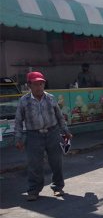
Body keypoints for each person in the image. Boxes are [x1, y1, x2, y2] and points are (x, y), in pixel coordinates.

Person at [15, 71, 73, 201]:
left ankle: (58, 187)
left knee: (56, 162)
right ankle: (34, 190)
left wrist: (66, 131)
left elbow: (59, 116)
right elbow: (18, 121)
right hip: (33, 135)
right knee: (34, 164)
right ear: (29, 85)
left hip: (52, 133)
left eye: (41, 84)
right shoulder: (23, 101)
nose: (39, 87)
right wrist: (18, 139)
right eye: (36, 84)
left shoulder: (50, 98)